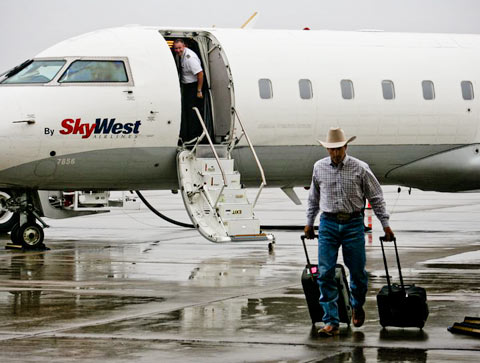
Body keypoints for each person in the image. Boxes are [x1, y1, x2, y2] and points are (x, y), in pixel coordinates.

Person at [304, 127, 394, 337]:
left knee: (357, 273)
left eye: (339, 149)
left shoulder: (360, 168)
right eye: (331, 150)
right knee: (325, 272)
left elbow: (376, 197)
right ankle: (331, 321)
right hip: (328, 223)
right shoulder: (319, 168)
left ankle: (357, 304)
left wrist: (386, 224)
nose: (335, 153)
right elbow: (314, 199)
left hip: (353, 223)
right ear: (327, 149)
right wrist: (309, 222)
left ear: (346, 147)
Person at [173, 39, 204, 143]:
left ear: (184, 46)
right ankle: (187, 135)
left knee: (192, 113)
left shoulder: (190, 58)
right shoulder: (180, 55)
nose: (178, 50)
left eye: (179, 48)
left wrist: (198, 90)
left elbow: (200, 74)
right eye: (176, 48)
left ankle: (194, 137)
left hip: (193, 86)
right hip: (186, 85)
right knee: (186, 111)